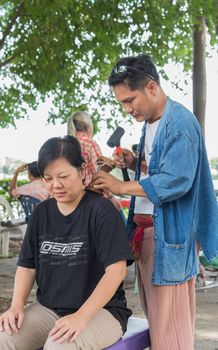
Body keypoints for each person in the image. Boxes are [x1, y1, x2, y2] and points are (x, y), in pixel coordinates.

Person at [92, 54, 218, 350]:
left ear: (151, 87)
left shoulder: (180, 124)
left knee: (169, 332)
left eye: (129, 100)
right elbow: (163, 168)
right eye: (122, 102)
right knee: (160, 325)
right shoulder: (151, 122)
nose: (127, 109)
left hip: (168, 240)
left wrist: (120, 185)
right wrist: (136, 161)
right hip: (149, 236)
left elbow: (176, 180)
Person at [0, 135, 133, 350]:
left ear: (82, 170)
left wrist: (81, 317)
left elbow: (116, 271)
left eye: (63, 176)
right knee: (3, 335)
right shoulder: (41, 213)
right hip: (50, 309)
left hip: (102, 311)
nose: (56, 185)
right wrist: (16, 306)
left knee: (60, 345)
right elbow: (27, 267)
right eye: (48, 178)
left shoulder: (101, 211)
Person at [67, 111, 125, 221]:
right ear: (89, 127)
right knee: (122, 221)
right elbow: (100, 175)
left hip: (72, 201)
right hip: (91, 199)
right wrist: (111, 197)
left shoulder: (66, 145)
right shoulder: (89, 143)